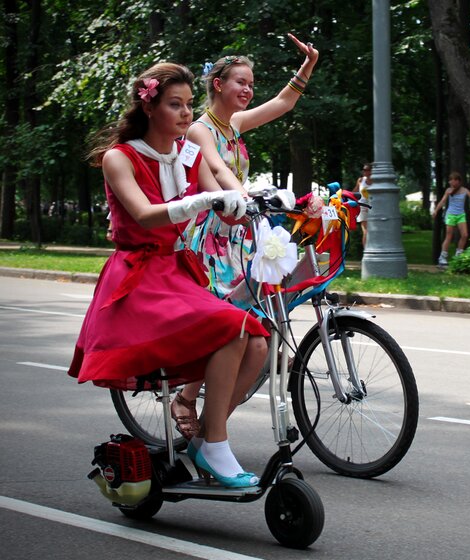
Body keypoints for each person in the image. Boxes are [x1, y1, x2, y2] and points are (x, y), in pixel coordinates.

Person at [69, 63, 269, 488]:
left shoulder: (190, 154)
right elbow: (144, 214)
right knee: (233, 327)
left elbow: (219, 194)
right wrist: (205, 201)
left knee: (256, 343)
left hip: (178, 272)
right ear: (150, 108)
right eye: (174, 105)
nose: (185, 114)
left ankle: (209, 439)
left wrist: (241, 206)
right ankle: (215, 443)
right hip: (138, 280)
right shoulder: (118, 158)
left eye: (188, 105)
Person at [171, 34, 319, 439]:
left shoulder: (234, 123)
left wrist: (307, 65)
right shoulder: (202, 129)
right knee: (224, 323)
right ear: (218, 84)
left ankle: (212, 427)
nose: (249, 90)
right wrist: (246, 194)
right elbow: (218, 171)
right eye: (241, 82)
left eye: (251, 83)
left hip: (242, 230)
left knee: (257, 321)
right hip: (213, 235)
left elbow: (284, 103)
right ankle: (186, 396)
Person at [433, 171, 470, 266]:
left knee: (465, 235)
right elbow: (442, 202)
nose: (450, 182)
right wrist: (436, 210)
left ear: (457, 181)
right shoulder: (449, 191)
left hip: (460, 215)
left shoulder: (464, 190)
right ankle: (442, 257)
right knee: (449, 236)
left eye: (452, 180)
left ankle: (459, 255)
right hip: (451, 215)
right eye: (449, 180)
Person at [353, 163, 372, 246]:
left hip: (373, 206)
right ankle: (366, 251)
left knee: (374, 230)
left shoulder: (376, 181)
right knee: (366, 230)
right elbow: (355, 191)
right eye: (364, 170)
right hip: (363, 206)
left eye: (368, 170)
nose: (366, 172)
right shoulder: (361, 180)